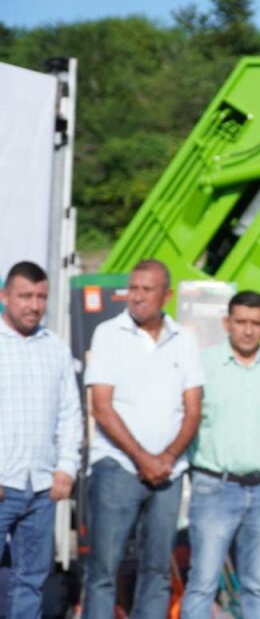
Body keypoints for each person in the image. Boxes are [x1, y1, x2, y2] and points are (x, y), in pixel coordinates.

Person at [83, 259, 203, 619]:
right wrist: (143, 458)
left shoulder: (184, 339)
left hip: (169, 472)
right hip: (117, 468)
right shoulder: (108, 333)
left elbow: (193, 409)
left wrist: (166, 457)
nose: (136, 297)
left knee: (157, 571)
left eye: (145, 289)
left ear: (166, 295)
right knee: (103, 571)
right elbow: (101, 408)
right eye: (132, 288)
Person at [182, 290, 260, 618]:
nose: (248, 330)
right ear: (227, 323)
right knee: (203, 582)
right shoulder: (203, 365)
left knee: (257, 586)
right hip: (215, 487)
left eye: (256, 323)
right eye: (241, 322)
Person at [0, 261, 82, 618]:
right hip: (3, 481)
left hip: (41, 488)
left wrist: (65, 468)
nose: (33, 305)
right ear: (4, 297)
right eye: (24, 296)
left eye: (41, 297)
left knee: (30, 580)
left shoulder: (56, 348)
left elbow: (70, 413)